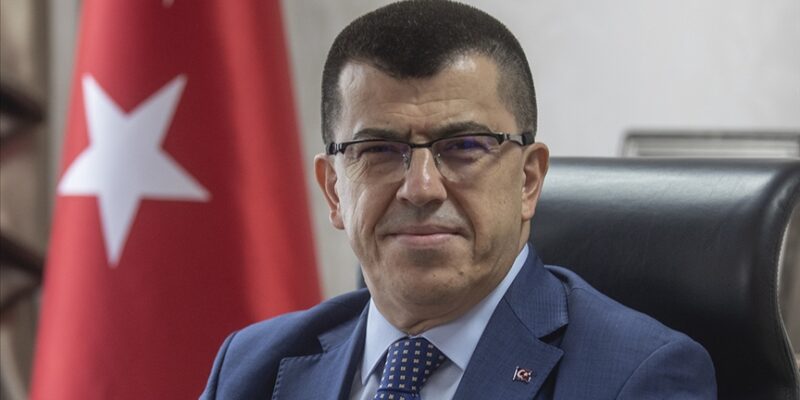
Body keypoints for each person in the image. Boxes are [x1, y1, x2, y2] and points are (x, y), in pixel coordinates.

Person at [200, 1, 717, 398]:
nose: (421, 187)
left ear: (528, 181)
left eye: (464, 147)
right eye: (378, 150)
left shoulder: (638, 376)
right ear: (335, 189)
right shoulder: (251, 368)